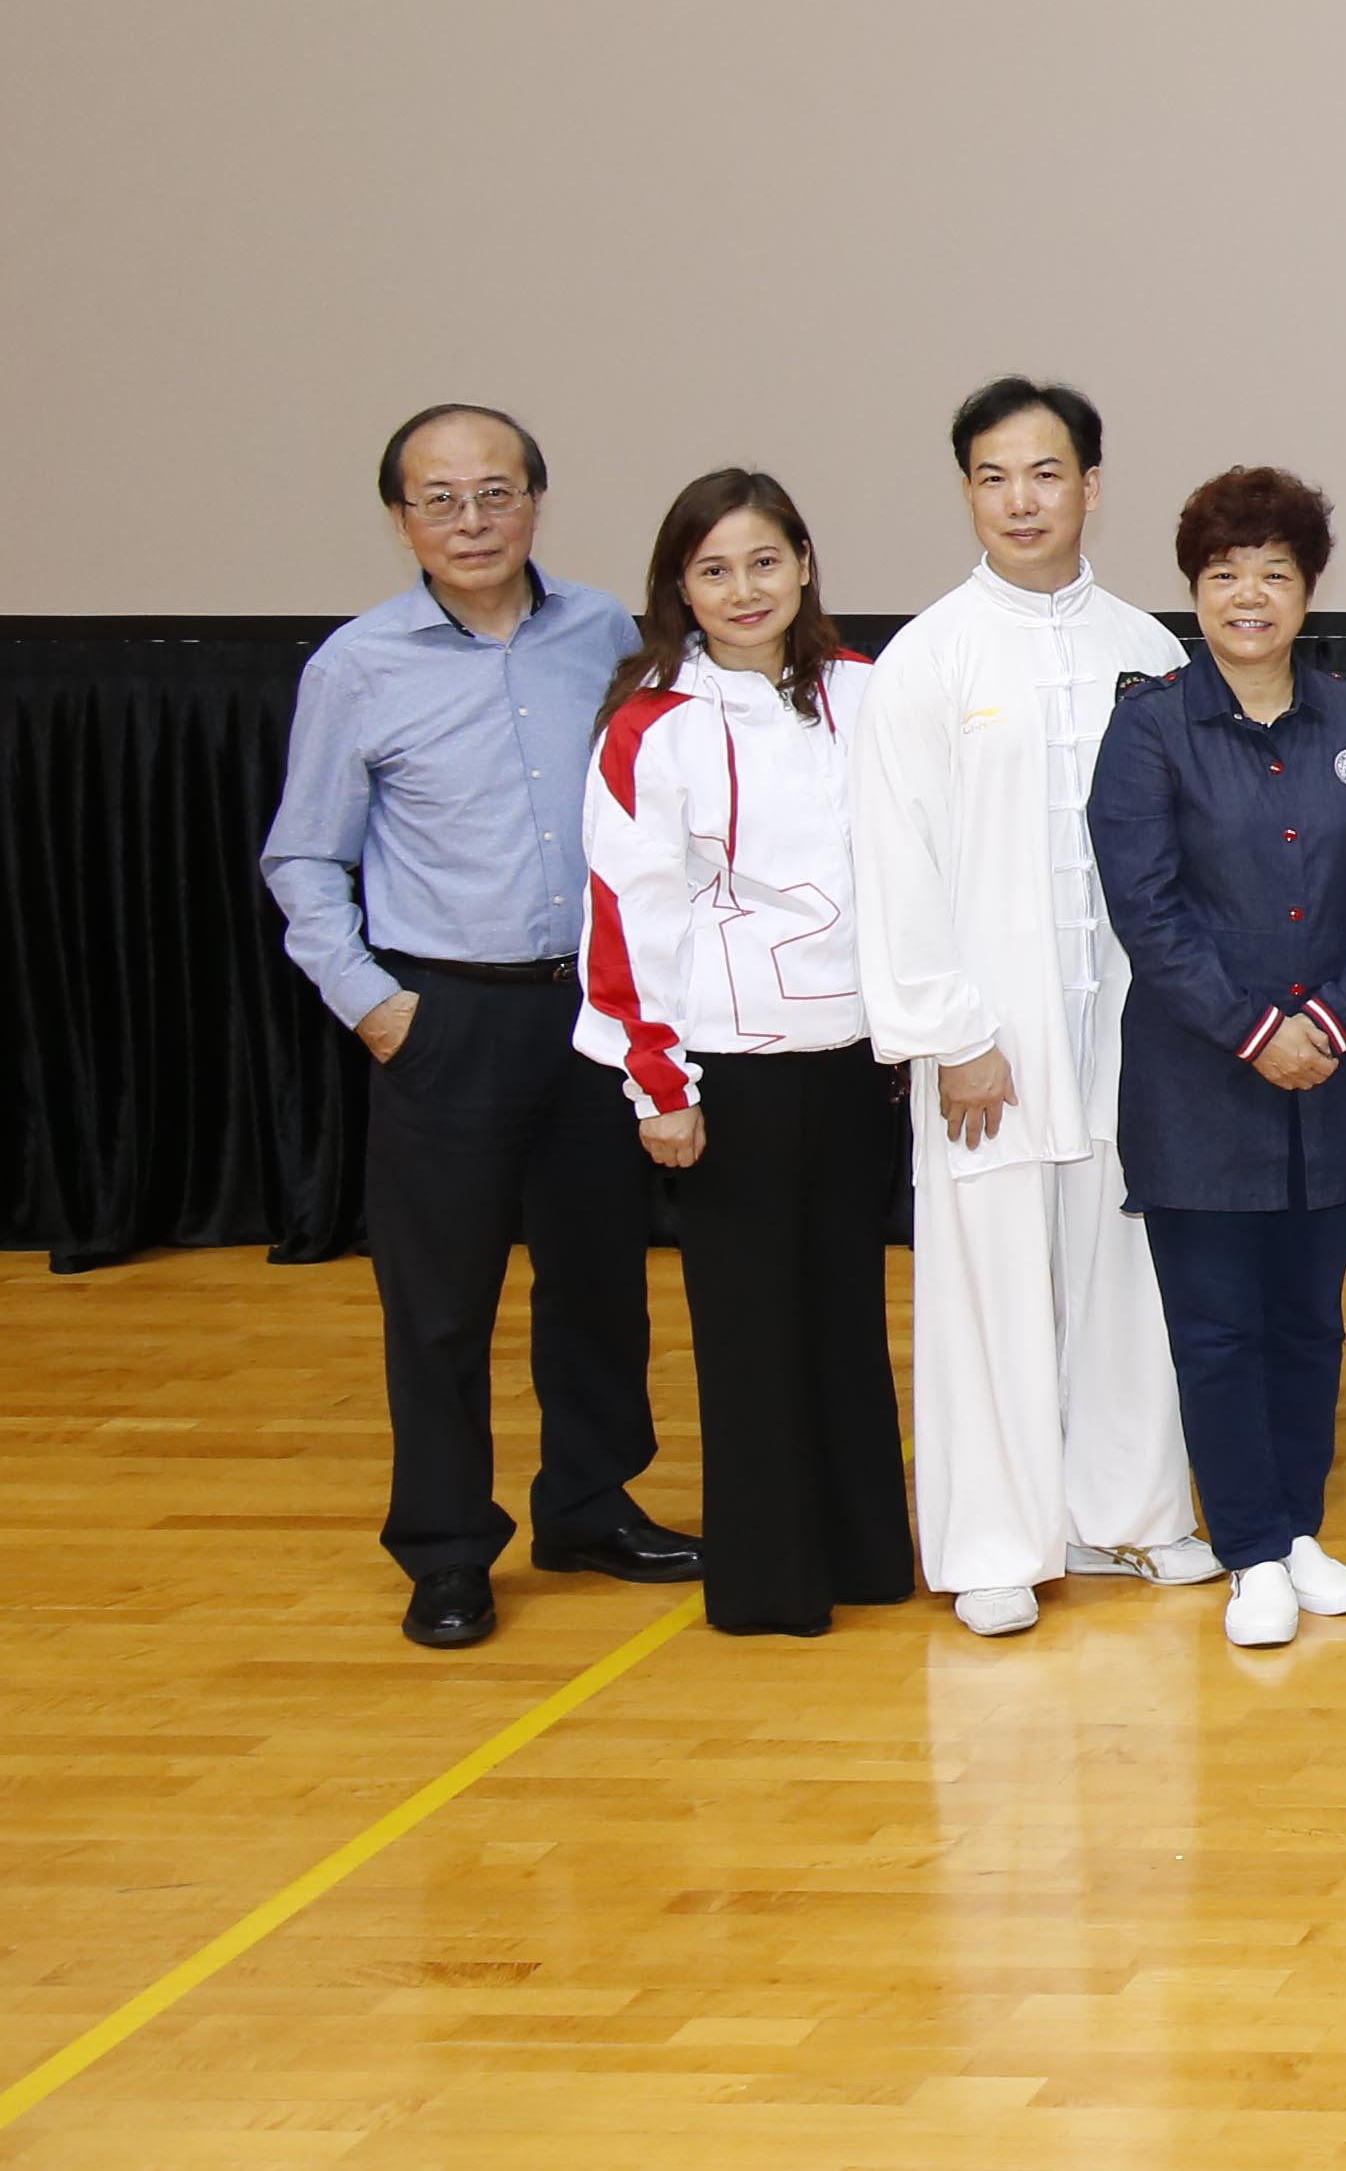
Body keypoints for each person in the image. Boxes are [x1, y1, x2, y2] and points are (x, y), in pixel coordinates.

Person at [264, 403, 686, 1649]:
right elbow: (303, 858)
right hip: (443, 1018)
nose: (472, 521)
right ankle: (447, 1548)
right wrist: (375, 1005)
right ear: (400, 519)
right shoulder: (356, 667)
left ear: (535, 501)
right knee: (441, 1304)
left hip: (591, 1015)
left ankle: (590, 1507)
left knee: (600, 1283)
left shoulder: (607, 634)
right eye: (439, 500)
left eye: (496, 493)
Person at [851, 379, 1204, 1637]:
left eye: (1045, 474)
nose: (1021, 500)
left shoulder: (1149, 650)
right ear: (966, 493)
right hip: (987, 1041)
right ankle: (994, 1543)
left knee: (1127, 1273)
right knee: (987, 1286)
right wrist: (951, 1036)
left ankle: (1125, 1515)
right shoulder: (927, 658)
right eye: (993, 477)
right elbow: (895, 862)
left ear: (1091, 487)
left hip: (1130, 1032)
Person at [574, 467, 895, 1640]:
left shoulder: (867, 691)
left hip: (856, 1060)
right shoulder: (649, 724)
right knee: (750, 1330)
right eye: (714, 570)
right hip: (725, 1072)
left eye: (764, 561)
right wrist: (658, 1083)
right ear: (679, 589)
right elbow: (628, 914)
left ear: (804, 563)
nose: (744, 589)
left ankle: (867, 1557)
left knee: (848, 1314)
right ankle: (769, 1585)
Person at [1086, 467, 1346, 1650]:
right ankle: (1251, 1550)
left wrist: (1333, 1022)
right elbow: (1149, 911)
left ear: (1309, 588)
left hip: (1335, 1074)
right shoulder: (1149, 729)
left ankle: (1301, 1529)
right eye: (1225, 574)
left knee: (1309, 1323)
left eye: (1274, 571)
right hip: (1199, 1082)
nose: (1249, 595)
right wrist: (1259, 1031)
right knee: (1216, 1331)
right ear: (1194, 589)